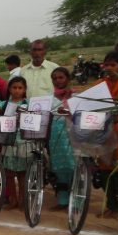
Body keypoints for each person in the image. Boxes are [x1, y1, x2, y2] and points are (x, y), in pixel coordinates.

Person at [92, 51, 118, 217]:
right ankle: (111, 203)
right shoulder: (100, 83)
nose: (108, 68)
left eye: (112, 65)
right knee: (104, 168)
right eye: (106, 65)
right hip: (104, 130)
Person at [0, 77, 29, 210]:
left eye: (20, 88)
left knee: (22, 173)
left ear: (24, 90)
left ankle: (23, 200)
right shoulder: (3, 104)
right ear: (9, 89)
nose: (17, 91)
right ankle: (13, 200)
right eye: (14, 88)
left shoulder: (28, 104)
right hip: (8, 142)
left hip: (23, 141)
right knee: (9, 173)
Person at [49, 67, 75, 210]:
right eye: (55, 78)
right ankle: (63, 200)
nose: (58, 81)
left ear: (67, 79)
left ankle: (77, 201)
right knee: (59, 169)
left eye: (61, 77)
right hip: (56, 136)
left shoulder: (76, 96)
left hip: (73, 135)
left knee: (74, 167)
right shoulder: (49, 98)